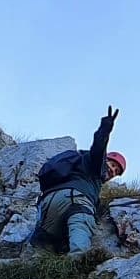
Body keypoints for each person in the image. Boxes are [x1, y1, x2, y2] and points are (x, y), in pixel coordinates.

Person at [34, 107, 124, 255]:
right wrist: (105, 129)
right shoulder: (95, 163)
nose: (112, 171)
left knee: (46, 243)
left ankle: (38, 269)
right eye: (113, 165)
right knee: (80, 248)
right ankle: (75, 270)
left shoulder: (80, 164)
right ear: (105, 159)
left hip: (49, 203)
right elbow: (98, 147)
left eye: (115, 172)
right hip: (76, 201)